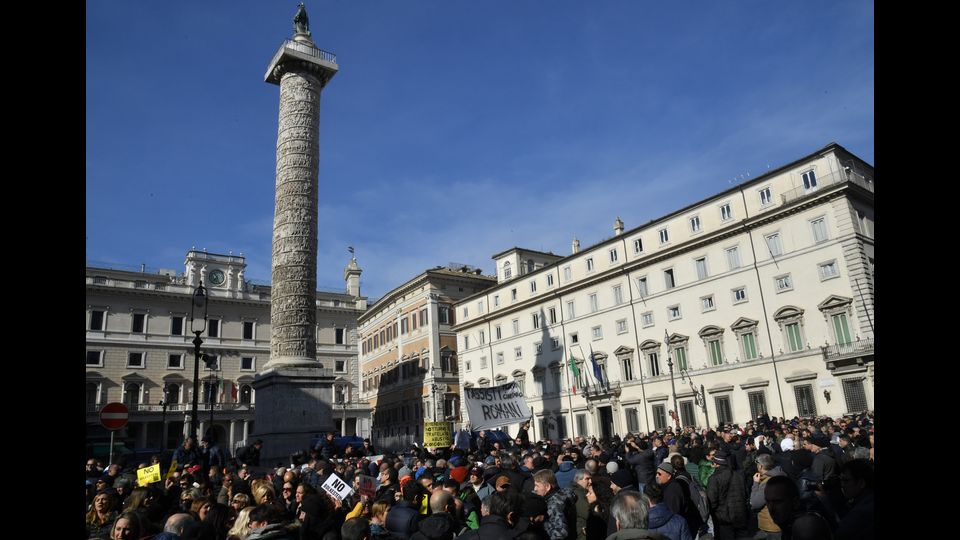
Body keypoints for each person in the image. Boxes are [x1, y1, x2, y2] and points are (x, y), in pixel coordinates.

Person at [705, 451, 747, 540]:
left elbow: (711, 501)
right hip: (738, 515)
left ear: (716, 464)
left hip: (722, 518)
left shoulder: (714, 478)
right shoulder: (739, 475)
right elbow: (744, 494)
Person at [532, 469, 577, 540]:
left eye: (537, 486)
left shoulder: (554, 504)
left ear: (547, 487)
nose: (535, 489)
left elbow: (561, 533)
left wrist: (543, 522)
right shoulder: (563, 494)